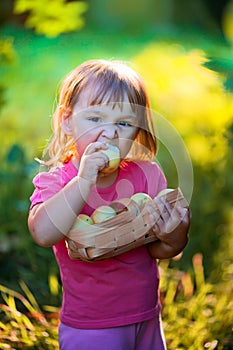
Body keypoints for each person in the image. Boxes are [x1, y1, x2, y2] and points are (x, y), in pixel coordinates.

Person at [28, 59, 190, 350]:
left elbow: (158, 249)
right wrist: (83, 180)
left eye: (124, 123)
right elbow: (42, 233)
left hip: (146, 316)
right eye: (94, 119)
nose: (110, 133)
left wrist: (176, 233)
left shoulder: (147, 175)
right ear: (67, 120)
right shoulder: (58, 182)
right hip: (92, 327)